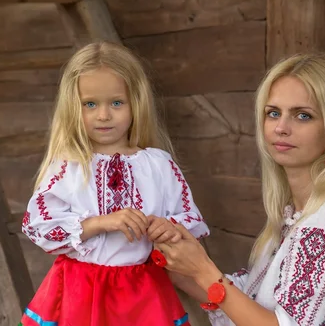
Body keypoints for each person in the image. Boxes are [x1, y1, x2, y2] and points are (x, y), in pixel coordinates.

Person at [155, 53, 325, 326]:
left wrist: (204, 271)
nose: (281, 128)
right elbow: (258, 302)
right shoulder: (299, 214)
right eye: (273, 113)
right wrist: (181, 266)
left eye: (303, 116)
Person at [18, 42, 209, 326]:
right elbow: (38, 225)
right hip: (79, 293)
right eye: (90, 104)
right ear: (73, 107)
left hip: (142, 293)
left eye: (116, 103)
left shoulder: (157, 164)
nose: (104, 115)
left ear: (136, 102)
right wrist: (99, 223)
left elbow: (191, 220)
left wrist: (168, 228)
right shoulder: (69, 165)